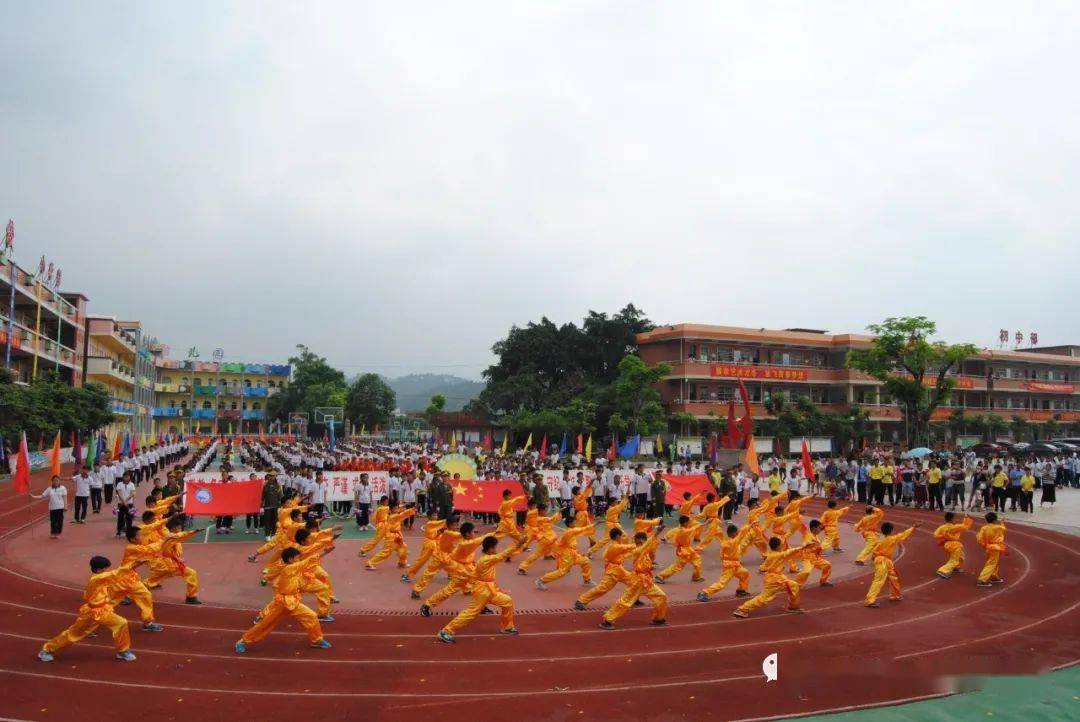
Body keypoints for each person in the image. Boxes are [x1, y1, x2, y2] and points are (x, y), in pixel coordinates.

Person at [38, 555, 136, 662]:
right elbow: (115, 573)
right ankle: (47, 649)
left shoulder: (101, 578)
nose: (106, 570)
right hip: (92, 612)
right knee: (73, 633)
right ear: (99, 569)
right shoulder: (96, 579)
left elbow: (115, 576)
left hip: (102, 610)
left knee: (121, 623)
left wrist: (132, 567)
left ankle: (123, 651)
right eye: (104, 569)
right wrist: (132, 565)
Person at [235, 546, 331, 653]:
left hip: (293, 602)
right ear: (290, 559)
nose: (299, 559)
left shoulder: (295, 570)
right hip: (281, 603)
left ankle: (316, 640)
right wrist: (323, 552)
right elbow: (306, 562)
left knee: (312, 616)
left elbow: (307, 564)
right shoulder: (289, 569)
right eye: (297, 558)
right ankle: (242, 641)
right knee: (265, 625)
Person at [437, 535, 525, 644]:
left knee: (507, 601)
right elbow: (503, 554)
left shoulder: (486, 559)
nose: (496, 550)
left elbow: (475, 574)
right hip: (483, 591)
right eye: (495, 547)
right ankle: (446, 631)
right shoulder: (486, 559)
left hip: (490, 590)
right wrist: (518, 545)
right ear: (490, 548)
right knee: (471, 612)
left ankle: (507, 627)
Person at [599, 527, 667, 629]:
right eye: (645, 540)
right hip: (638, 581)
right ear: (641, 540)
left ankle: (658, 618)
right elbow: (645, 546)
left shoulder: (644, 551)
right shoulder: (637, 550)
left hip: (646, 581)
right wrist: (656, 533)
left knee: (661, 596)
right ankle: (608, 620)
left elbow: (645, 562)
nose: (646, 542)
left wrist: (651, 567)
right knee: (625, 602)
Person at [733, 537, 808, 618]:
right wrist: (802, 547)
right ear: (777, 547)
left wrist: (771, 569)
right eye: (781, 545)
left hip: (778, 578)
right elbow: (788, 552)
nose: (782, 546)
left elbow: (763, 567)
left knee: (794, 586)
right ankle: (742, 609)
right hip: (774, 581)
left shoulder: (772, 554)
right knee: (763, 598)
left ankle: (793, 607)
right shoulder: (777, 555)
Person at [109, 525, 164, 632]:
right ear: (133, 539)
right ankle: (88, 624)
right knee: (108, 603)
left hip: (131, 578)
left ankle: (148, 622)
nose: (142, 537)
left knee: (146, 595)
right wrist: (164, 540)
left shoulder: (136, 546)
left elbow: (148, 552)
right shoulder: (132, 548)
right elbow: (150, 549)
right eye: (140, 535)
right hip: (123, 579)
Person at [144, 516, 201, 603]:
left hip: (173, 565)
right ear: (174, 528)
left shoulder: (175, 539)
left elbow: (172, 551)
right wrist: (193, 532)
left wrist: (178, 559)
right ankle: (129, 594)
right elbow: (180, 536)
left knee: (191, 574)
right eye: (179, 527)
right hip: (163, 566)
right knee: (150, 582)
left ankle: (191, 597)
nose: (181, 529)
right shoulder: (170, 537)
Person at [575, 527, 634, 610]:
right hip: (613, 572)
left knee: (634, 581)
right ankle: (581, 600)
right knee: (602, 588)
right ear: (617, 536)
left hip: (619, 570)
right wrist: (639, 544)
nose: (622, 538)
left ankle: (634, 598)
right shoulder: (614, 546)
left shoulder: (615, 545)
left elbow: (624, 552)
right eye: (621, 536)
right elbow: (627, 547)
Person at [864, 521, 918, 607]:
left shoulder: (879, 539)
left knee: (894, 578)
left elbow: (874, 552)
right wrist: (913, 527)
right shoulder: (892, 538)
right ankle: (869, 600)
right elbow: (903, 534)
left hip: (885, 561)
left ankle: (895, 595)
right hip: (883, 561)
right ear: (891, 530)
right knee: (879, 581)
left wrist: (874, 559)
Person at [696, 524, 753, 601]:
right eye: (736, 532)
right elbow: (742, 533)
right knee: (722, 583)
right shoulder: (733, 542)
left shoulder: (725, 542)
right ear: (733, 533)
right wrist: (750, 525)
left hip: (735, 565)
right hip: (730, 566)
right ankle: (705, 593)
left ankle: (741, 590)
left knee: (745, 573)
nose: (737, 533)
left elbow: (721, 555)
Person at [535, 522, 595, 590]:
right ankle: (541, 581)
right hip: (566, 556)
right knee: (562, 572)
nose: (575, 523)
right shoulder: (569, 532)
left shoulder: (572, 532)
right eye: (573, 522)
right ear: (570, 524)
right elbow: (582, 529)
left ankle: (587, 580)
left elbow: (580, 530)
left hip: (573, 554)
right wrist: (595, 524)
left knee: (586, 561)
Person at [654, 514, 704, 584]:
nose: (690, 523)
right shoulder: (683, 531)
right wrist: (705, 523)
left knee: (697, 559)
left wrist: (666, 537)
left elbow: (673, 532)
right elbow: (693, 529)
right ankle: (660, 576)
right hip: (684, 551)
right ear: (685, 523)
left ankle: (696, 577)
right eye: (689, 522)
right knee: (677, 566)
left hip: (688, 549)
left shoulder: (678, 529)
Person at [365, 505, 417, 570]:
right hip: (391, 537)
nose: (397, 509)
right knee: (386, 552)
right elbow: (402, 515)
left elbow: (402, 513)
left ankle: (402, 563)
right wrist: (410, 510)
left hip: (397, 536)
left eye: (397, 508)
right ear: (391, 510)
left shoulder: (395, 515)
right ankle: (370, 563)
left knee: (403, 547)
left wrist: (410, 509)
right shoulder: (393, 517)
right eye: (395, 508)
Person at [403, 511, 445, 584]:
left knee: (442, 558)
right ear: (429, 517)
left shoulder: (434, 524)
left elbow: (437, 531)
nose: (436, 516)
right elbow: (442, 523)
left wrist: (438, 534)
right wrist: (451, 519)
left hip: (435, 544)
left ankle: (451, 574)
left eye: (436, 515)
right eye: (434, 515)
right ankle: (407, 575)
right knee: (421, 560)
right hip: (428, 544)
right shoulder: (430, 523)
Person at [933, 511, 973, 579]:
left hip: (947, 545)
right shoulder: (955, 527)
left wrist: (944, 536)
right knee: (954, 560)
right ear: (952, 519)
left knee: (961, 556)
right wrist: (966, 517)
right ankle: (943, 570)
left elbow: (935, 535)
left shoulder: (942, 527)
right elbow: (965, 526)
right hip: (954, 545)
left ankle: (956, 567)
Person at [794, 520, 832, 587]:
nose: (820, 530)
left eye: (821, 528)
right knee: (806, 571)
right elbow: (805, 542)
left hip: (816, 557)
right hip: (807, 558)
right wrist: (806, 545)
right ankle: (796, 584)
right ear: (814, 528)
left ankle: (823, 581)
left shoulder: (815, 536)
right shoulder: (808, 535)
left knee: (827, 565)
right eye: (819, 528)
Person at [976, 512, 1007, 588]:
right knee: (991, 564)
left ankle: (994, 576)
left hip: (989, 547)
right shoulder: (997, 527)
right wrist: (1002, 522)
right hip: (995, 547)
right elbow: (1004, 530)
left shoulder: (984, 528)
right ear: (995, 520)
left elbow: (979, 538)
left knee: (994, 562)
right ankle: (982, 580)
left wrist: (985, 545)